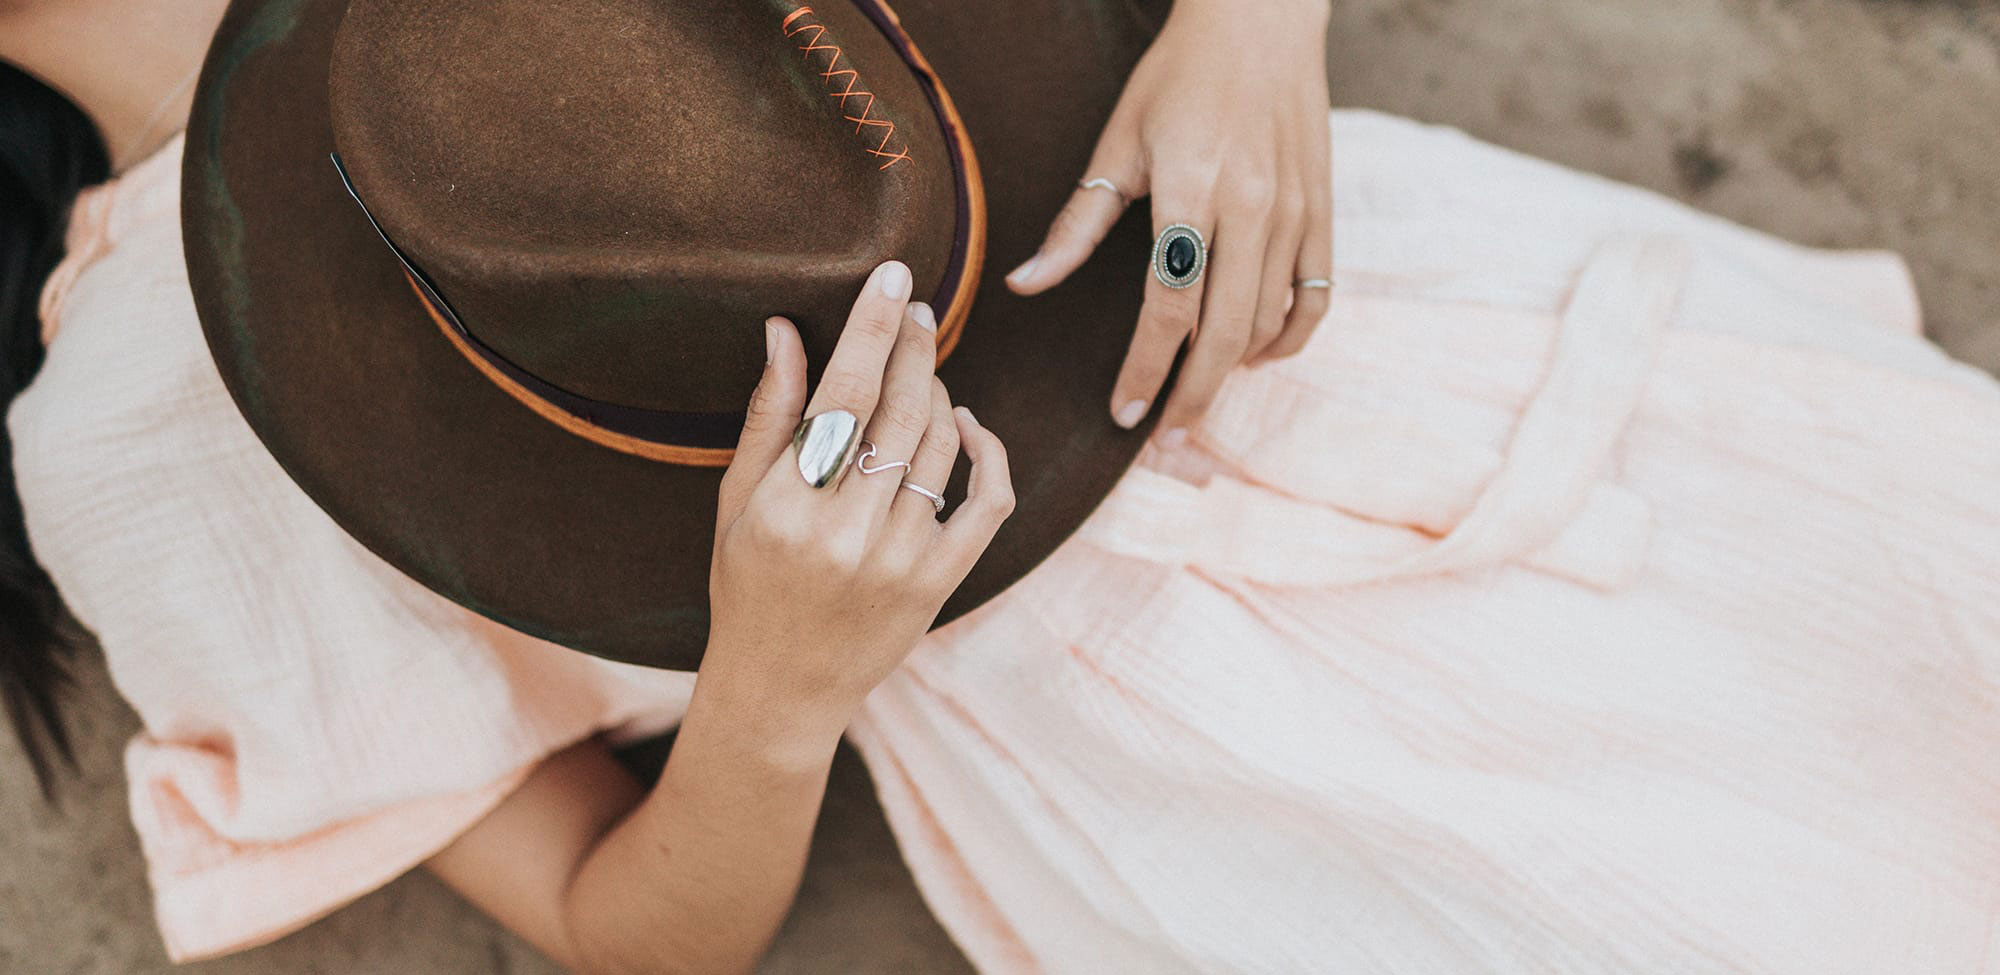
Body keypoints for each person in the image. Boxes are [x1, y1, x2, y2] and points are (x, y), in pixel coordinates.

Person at [7, 2, 2000, 975]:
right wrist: (780, 691)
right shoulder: (144, 426)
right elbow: (614, 916)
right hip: (1201, 745)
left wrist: (1245, 20)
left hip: (1430, 301)